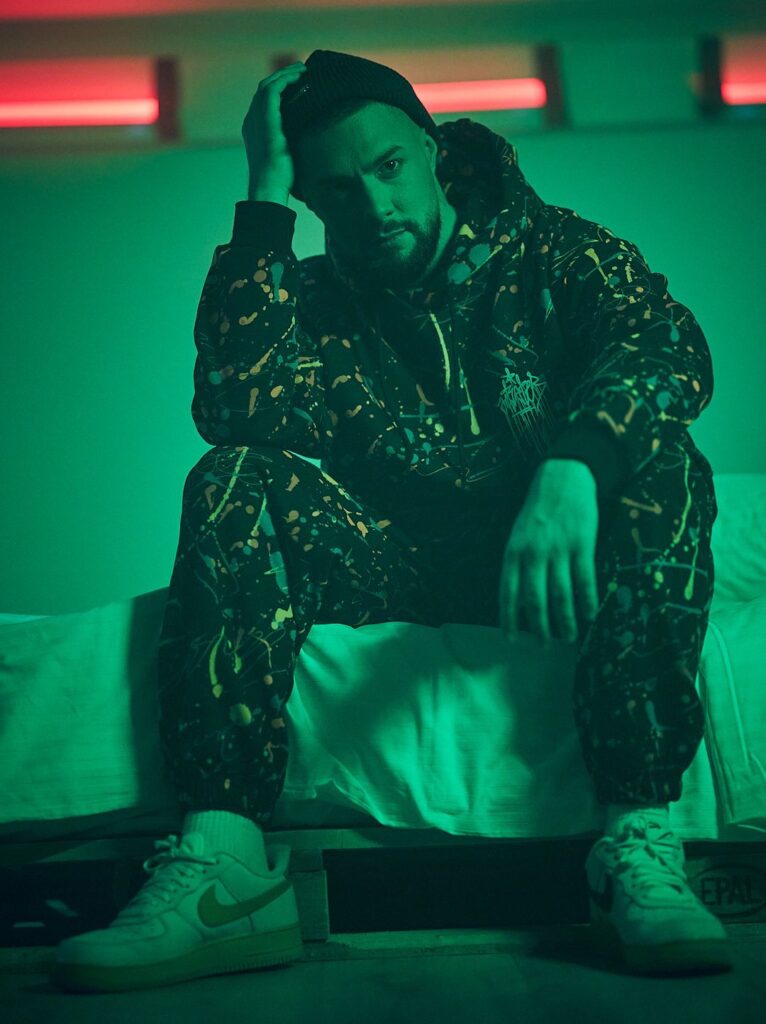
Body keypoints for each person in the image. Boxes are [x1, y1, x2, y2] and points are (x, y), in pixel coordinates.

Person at [51, 49, 730, 994]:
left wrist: (575, 465)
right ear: (312, 199)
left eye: (389, 166)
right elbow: (236, 408)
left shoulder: (556, 251)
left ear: (432, 149)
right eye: (338, 187)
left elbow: (667, 349)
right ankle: (225, 867)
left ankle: (638, 845)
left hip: (548, 562)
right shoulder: (314, 301)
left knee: (663, 458)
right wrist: (263, 201)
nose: (373, 204)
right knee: (233, 474)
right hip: (396, 563)